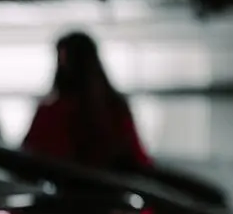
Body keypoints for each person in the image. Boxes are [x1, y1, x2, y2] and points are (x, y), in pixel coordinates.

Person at [23, 31, 151, 172]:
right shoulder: (116, 108)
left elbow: (28, 159)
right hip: (113, 192)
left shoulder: (52, 113)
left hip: (64, 191)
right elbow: (138, 159)